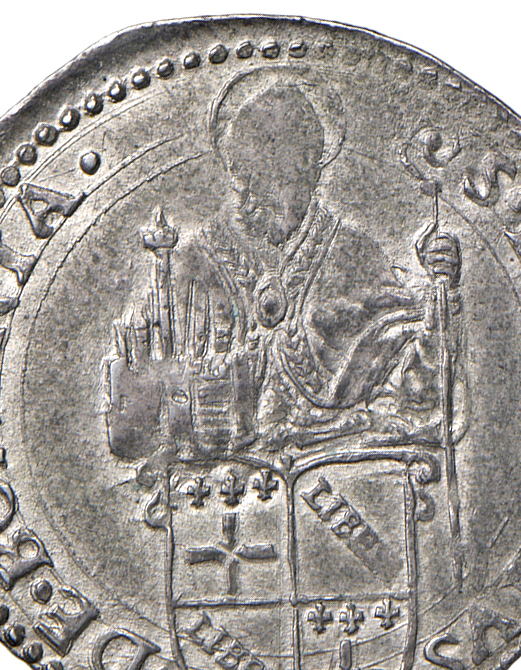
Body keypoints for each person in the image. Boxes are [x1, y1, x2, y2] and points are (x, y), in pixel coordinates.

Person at [106, 67, 465, 467]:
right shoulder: (189, 263)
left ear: (313, 167)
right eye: (259, 164)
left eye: (290, 166)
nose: (274, 181)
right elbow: (142, 409)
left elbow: (418, 390)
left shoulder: (353, 252)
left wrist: (441, 295)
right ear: (237, 169)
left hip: (338, 474)